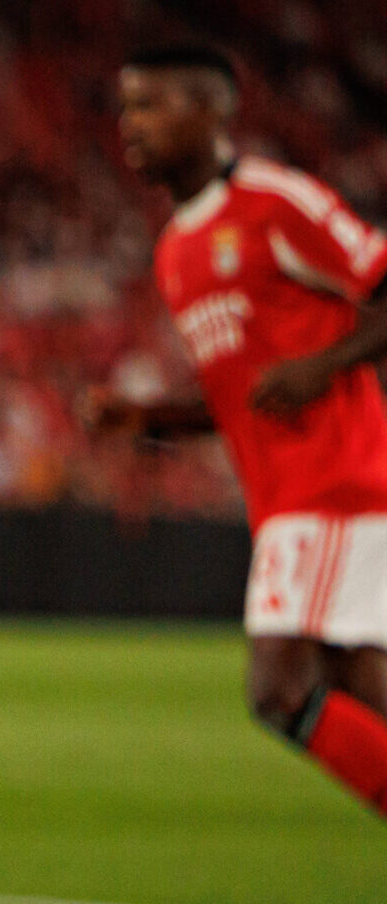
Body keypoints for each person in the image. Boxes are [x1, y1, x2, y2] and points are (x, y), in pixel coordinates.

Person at [91, 43, 387, 816]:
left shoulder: (275, 203)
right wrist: (150, 419)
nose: (132, 125)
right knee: (357, 687)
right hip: (288, 498)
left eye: (151, 105)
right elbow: (240, 398)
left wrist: (325, 365)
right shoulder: (176, 251)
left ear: (212, 109)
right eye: (127, 107)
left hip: (335, 483)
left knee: (279, 690)